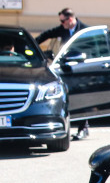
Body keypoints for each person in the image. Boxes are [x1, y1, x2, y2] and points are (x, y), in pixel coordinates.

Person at [37, 8, 92, 139]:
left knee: (81, 99)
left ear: (70, 19)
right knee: (69, 98)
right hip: (66, 69)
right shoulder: (63, 29)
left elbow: (91, 50)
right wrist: (32, 44)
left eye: (63, 21)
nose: (61, 24)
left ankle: (84, 127)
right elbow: (47, 34)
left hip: (81, 70)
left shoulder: (84, 31)